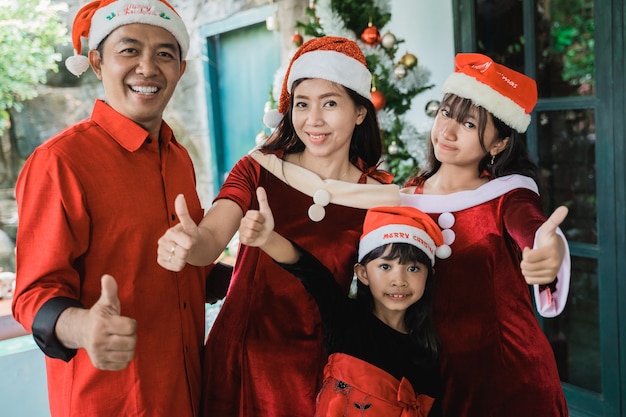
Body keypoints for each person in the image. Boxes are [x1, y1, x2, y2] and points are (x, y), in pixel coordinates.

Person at [157, 36, 401, 417]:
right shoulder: (258, 168)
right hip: (238, 360)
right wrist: (191, 241)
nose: (313, 119)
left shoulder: (383, 200)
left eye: (330, 103)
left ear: (359, 112)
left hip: (321, 375)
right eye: (302, 104)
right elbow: (211, 239)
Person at [11, 1, 209, 416]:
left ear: (181, 69)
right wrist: (83, 326)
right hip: (111, 402)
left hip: (190, 394)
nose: (147, 67)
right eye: (129, 50)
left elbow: (189, 270)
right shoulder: (60, 163)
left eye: (165, 54)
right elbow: (33, 294)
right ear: (97, 63)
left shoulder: (178, 157)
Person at [400, 53, 571, 416]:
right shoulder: (406, 196)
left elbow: (534, 229)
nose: (447, 130)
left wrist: (548, 250)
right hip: (432, 380)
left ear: (498, 145)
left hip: (509, 379)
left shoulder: (508, 195)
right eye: (445, 112)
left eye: (468, 123)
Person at [238, 187, 445, 417]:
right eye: (385, 267)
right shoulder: (346, 320)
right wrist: (267, 239)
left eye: (413, 268)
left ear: (429, 276)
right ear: (363, 274)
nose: (399, 280)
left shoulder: (428, 349)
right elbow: (312, 273)